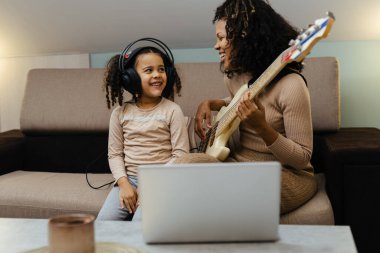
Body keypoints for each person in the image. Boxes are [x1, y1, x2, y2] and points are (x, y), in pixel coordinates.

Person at [176, 0, 317, 214]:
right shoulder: (234, 77)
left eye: (221, 38)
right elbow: (236, 102)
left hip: (286, 174)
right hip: (239, 164)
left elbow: (301, 158)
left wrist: (263, 128)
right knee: (184, 164)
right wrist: (211, 103)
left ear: (245, 39)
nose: (216, 46)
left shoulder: (292, 86)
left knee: (229, 194)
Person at [97, 39, 190, 220]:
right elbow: (115, 154)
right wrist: (124, 185)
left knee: (141, 226)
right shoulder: (119, 113)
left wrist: (151, 185)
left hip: (161, 181)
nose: (157, 75)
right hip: (128, 180)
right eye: (149, 70)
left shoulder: (172, 110)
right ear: (130, 77)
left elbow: (180, 155)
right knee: (102, 226)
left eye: (161, 69)